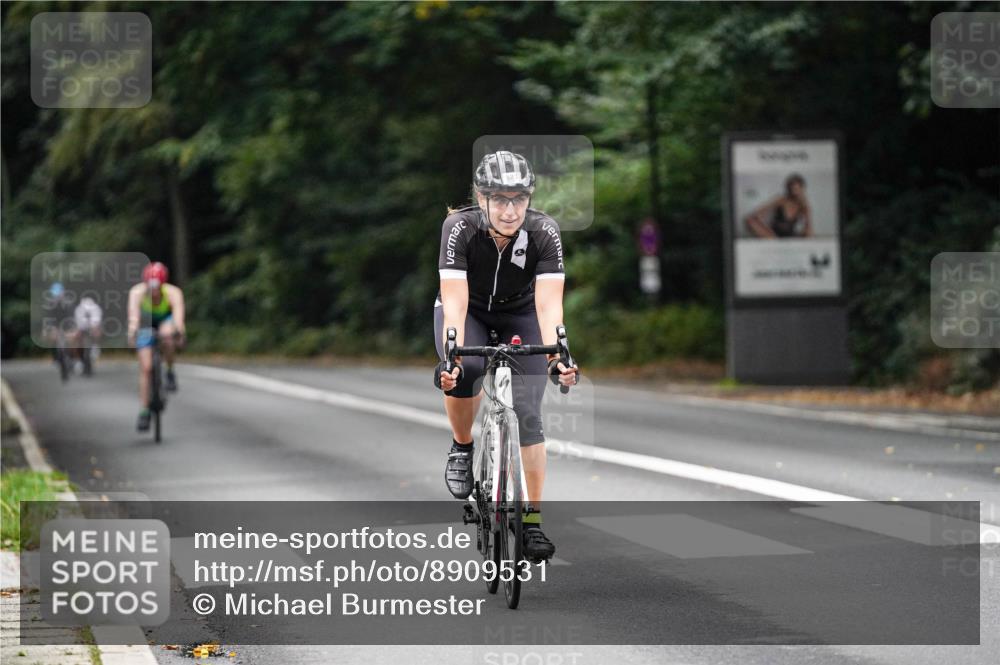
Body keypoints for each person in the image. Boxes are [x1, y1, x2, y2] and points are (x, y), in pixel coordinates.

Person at [433, 150, 579, 561]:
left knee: (529, 412)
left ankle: (531, 522)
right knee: (467, 369)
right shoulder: (458, 227)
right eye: (500, 199)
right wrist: (453, 355)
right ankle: (462, 447)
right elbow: (455, 302)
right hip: (470, 309)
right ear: (481, 199)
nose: (511, 209)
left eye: (519, 198)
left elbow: (549, 307)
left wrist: (558, 358)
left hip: (521, 311)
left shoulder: (545, 231)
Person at [127, 262, 186, 431]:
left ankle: (169, 370)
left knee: (168, 336)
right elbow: (134, 318)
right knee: (146, 368)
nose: (153, 291)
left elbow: (178, 319)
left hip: (166, 322)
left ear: (163, 285)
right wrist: (132, 333)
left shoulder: (173, 293)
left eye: (157, 287)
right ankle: (144, 411)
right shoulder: (137, 293)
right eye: (150, 286)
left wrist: (179, 333)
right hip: (145, 323)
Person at [744, 173, 814, 239]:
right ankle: (774, 241)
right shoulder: (782, 200)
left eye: (797, 189)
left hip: (790, 235)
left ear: (802, 189)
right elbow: (760, 211)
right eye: (792, 189)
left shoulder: (803, 205)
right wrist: (761, 218)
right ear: (788, 189)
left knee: (809, 233)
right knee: (749, 220)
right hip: (773, 235)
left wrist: (806, 208)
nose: (794, 192)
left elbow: (808, 226)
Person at [73, 295, 103, 368]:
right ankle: (79, 359)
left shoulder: (96, 308)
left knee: (97, 333)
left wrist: (94, 328)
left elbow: (96, 321)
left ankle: (95, 347)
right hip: (82, 328)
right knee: (77, 339)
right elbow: (78, 322)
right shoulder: (79, 309)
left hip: (93, 327)